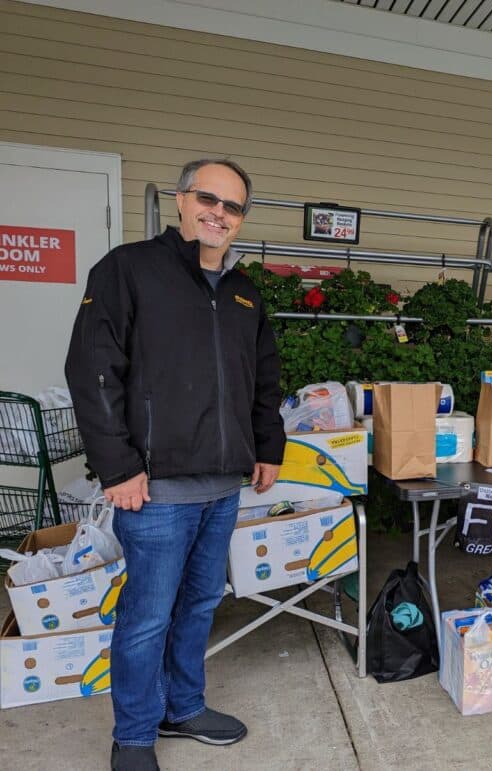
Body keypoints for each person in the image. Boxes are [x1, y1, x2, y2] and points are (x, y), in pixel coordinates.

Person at [66, 159, 286, 771]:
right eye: (208, 199)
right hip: (155, 489)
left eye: (233, 206)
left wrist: (268, 446)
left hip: (222, 487)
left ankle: (183, 708)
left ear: (241, 220)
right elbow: (93, 369)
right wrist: (117, 468)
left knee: (199, 605)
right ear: (181, 201)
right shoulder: (129, 269)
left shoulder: (245, 293)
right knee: (146, 619)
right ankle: (133, 737)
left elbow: (263, 380)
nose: (219, 213)